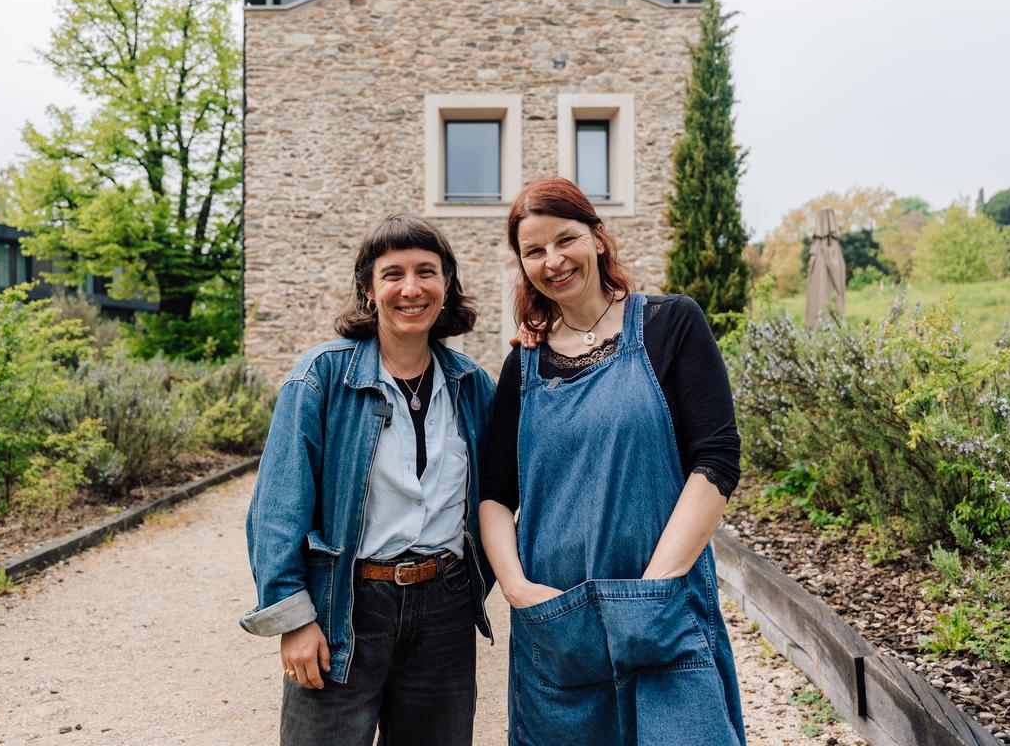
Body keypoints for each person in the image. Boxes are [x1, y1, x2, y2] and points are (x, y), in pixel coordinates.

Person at [479, 177, 746, 746]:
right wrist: (517, 588)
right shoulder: (522, 365)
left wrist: (652, 591)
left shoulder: (670, 325)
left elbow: (717, 459)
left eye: (565, 239)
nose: (552, 261)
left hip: (664, 607)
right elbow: (495, 491)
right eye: (533, 251)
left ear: (598, 238)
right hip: (559, 621)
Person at [240, 214, 496, 746]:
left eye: (426, 272)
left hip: (444, 609)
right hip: (345, 605)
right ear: (368, 290)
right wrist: (293, 617)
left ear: (446, 286)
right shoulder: (321, 378)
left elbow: (501, 492)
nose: (411, 288)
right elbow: (278, 506)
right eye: (392, 274)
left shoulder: (474, 386)